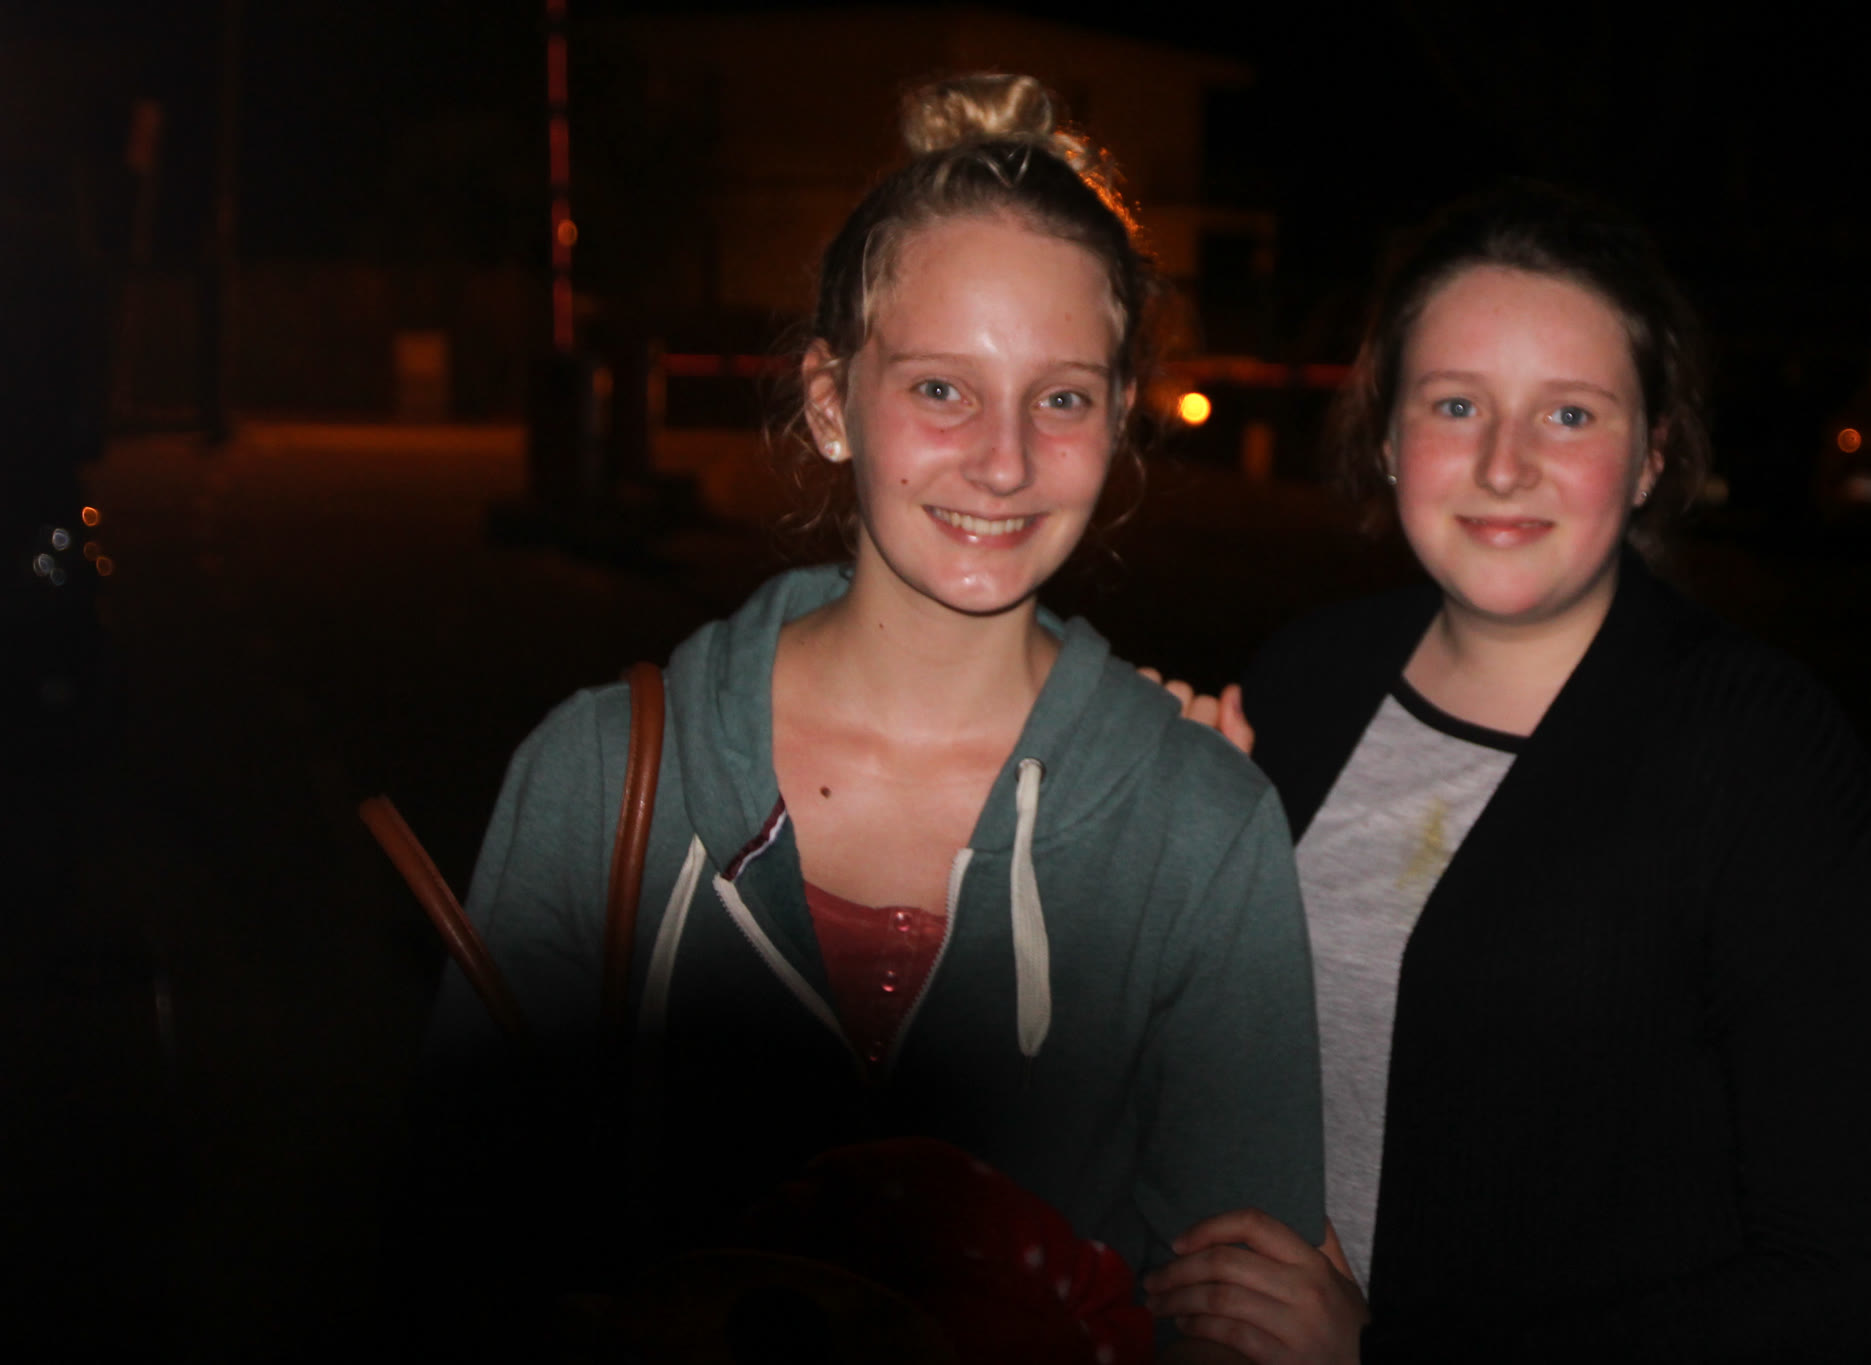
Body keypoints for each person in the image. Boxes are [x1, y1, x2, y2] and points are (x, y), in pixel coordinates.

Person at [413, 73, 1323, 1360]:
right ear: (830, 402)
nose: (1002, 460)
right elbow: (464, 1257)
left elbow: (1231, 1320)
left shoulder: (1202, 830)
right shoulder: (597, 777)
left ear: (1119, 419)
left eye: (1062, 396)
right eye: (942, 389)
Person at [1142, 183, 1871, 1363]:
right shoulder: (1302, 682)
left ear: (1651, 454)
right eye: (1455, 404)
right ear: (1387, 436)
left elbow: (1852, 1282)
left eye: (1567, 414)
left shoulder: (1759, 757)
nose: (1502, 465)